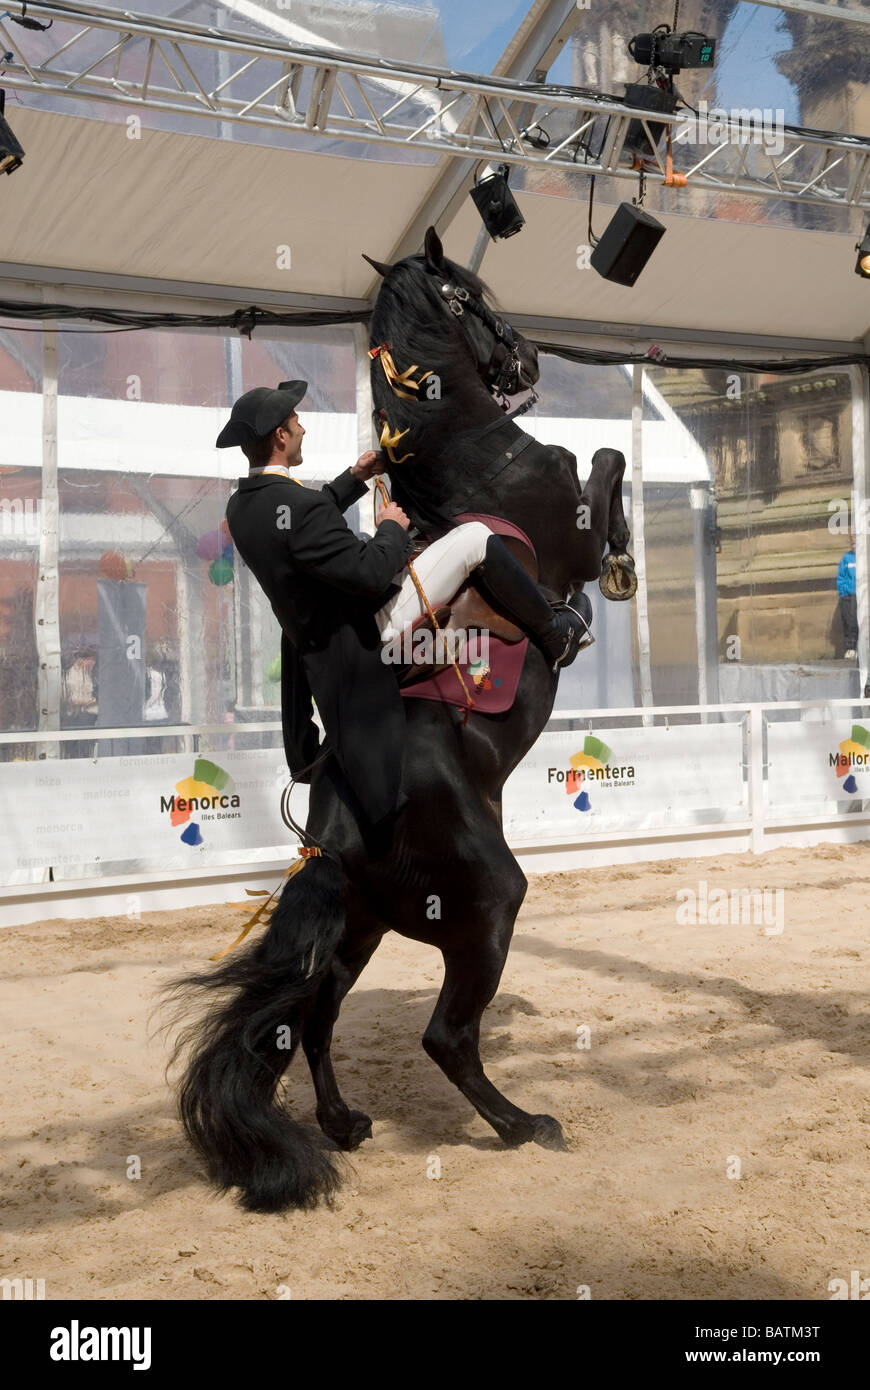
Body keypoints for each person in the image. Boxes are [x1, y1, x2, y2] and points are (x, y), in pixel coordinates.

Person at [218, 380, 586, 827]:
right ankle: (556, 633)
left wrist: (354, 479)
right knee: (472, 539)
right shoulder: (297, 506)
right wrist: (390, 527)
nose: (302, 428)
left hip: (318, 642)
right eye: (295, 422)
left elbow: (299, 521)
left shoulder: (243, 507)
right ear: (279, 436)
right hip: (368, 629)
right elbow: (370, 572)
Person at [837, 538, 857, 660]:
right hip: (849, 594)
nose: (854, 545)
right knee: (850, 621)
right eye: (852, 543)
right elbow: (841, 577)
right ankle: (851, 648)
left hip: (863, 594)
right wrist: (844, 592)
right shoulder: (846, 558)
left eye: (856, 543)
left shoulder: (866, 556)